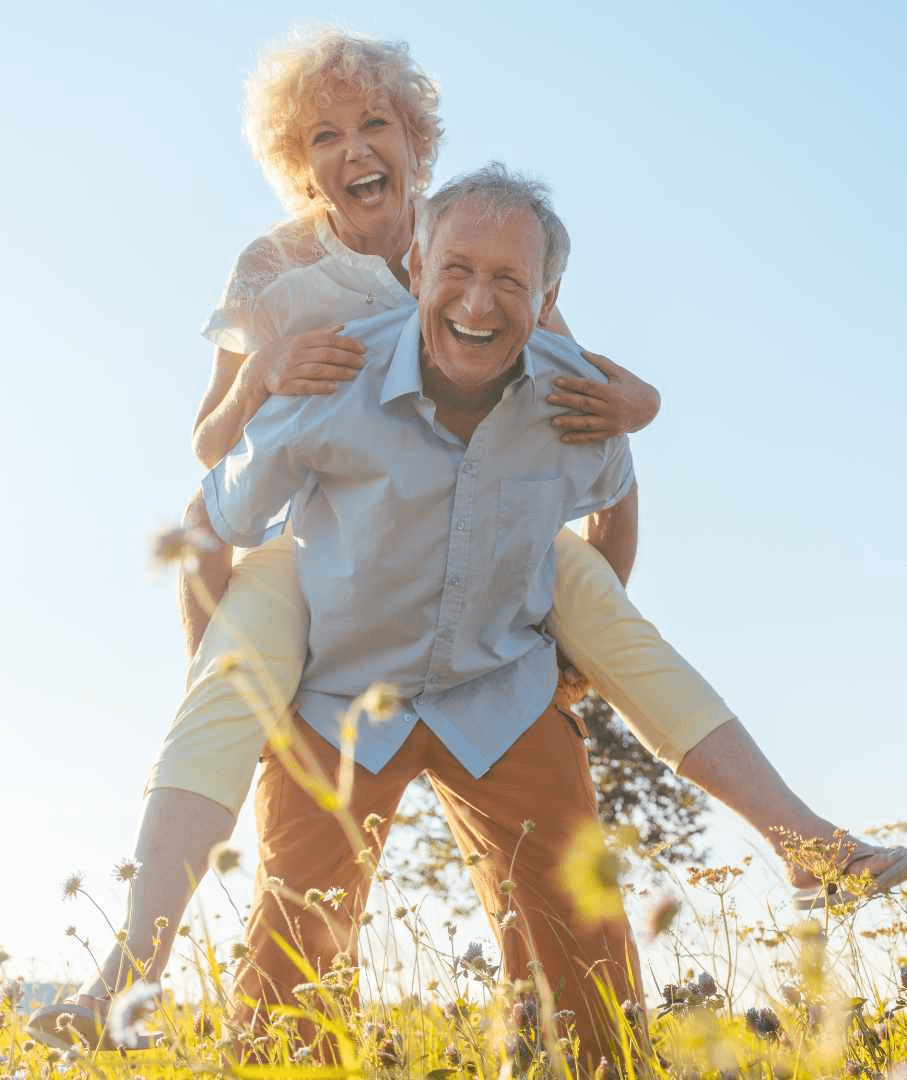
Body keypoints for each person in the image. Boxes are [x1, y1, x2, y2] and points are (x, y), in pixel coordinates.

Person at [29, 28, 907, 1054]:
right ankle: (126, 974)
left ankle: (797, 835)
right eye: (326, 133)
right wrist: (262, 373)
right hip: (336, 601)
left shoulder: (477, 251)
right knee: (283, 939)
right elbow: (209, 470)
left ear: (419, 144)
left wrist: (634, 421)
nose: (355, 146)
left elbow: (583, 389)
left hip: (490, 637)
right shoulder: (287, 282)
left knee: (605, 647)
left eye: (377, 123)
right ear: (297, 162)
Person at [201, 167, 642, 1064]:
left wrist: (577, 665)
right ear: (416, 268)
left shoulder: (572, 397)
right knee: (291, 975)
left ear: (547, 297)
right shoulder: (338, 371)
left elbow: (618, 492)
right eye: (458, 270)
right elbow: (217, 514)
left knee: (586, 969)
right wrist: (230, 697)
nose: (479, 302)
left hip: (500, 690)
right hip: (340, 697)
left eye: (511, 281)